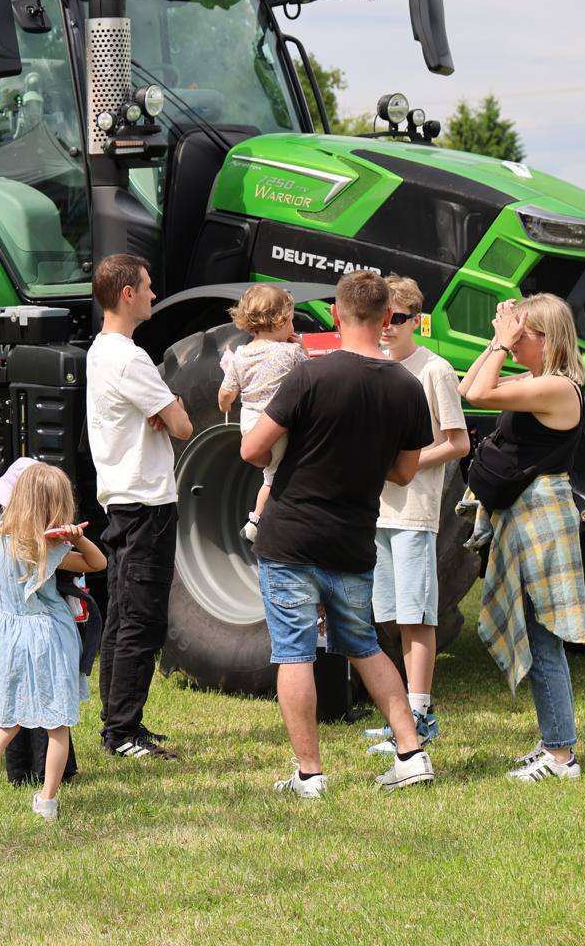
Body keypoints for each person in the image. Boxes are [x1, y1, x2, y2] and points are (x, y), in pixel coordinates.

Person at [239, 270, 435, 797]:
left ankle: (310, 773)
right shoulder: (407, 386)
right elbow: (404, 473)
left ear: (334, 314)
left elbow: (251, 449)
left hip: (291, 538)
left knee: (294, 652)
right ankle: (411, 753)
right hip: (353, 539)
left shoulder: (310, 376)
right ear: (387, 316)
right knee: (364, 645)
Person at [459, 294, 585, 783]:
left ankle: (561, 757)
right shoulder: (538, 382)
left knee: (542, 635)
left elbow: (479, 396)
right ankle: (554, 740)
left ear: (547, 338)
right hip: (528, 515)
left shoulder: (557, 387)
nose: (515, 342)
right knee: (537, 634)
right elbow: (468, 387)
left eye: (523, 335)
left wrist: (500, 342)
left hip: (542, 519)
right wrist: (496, 341)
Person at [0, 461, 107, 820]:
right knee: (57, 725)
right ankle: (47, 801)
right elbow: (97, 564)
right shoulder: (48, 547)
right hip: (48, 637)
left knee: (5, 725)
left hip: (8, 639)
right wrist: (78, 538)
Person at [85, 253, 193, 761]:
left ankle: (118, 722)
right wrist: (169, 407)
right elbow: (183, 426)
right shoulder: (130, 359)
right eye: (147, 287)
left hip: (122, 499)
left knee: (123, 614)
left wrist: (161, 410)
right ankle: (124, 732)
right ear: (127, 293)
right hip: (147, 503)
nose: (153, 294)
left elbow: (164, 417)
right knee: (142, 620)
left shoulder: (100, 351)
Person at [366, 275, 469, 754]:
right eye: (382, 317)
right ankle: (403, 716)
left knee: (417, 616)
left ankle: (421, 717)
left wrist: (402, 464)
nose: (388, 326)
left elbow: (458, 442)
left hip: (414, 511)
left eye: (398, 318)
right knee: (389, 617)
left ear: (416, 321)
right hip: (377, 511)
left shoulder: (435, 370)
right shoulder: (375, 365)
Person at [216, 283, 306, 542]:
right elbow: (310, 378)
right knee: (274, 480)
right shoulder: (290, 352)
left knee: (269, 474)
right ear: (279, 321)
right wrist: (303, 349)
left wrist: (225, 407)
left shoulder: (241, 355)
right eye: (291, 320)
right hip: (276, 426)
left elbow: (226, 394)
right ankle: (256, 521)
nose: (292, 327)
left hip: (249, 424)